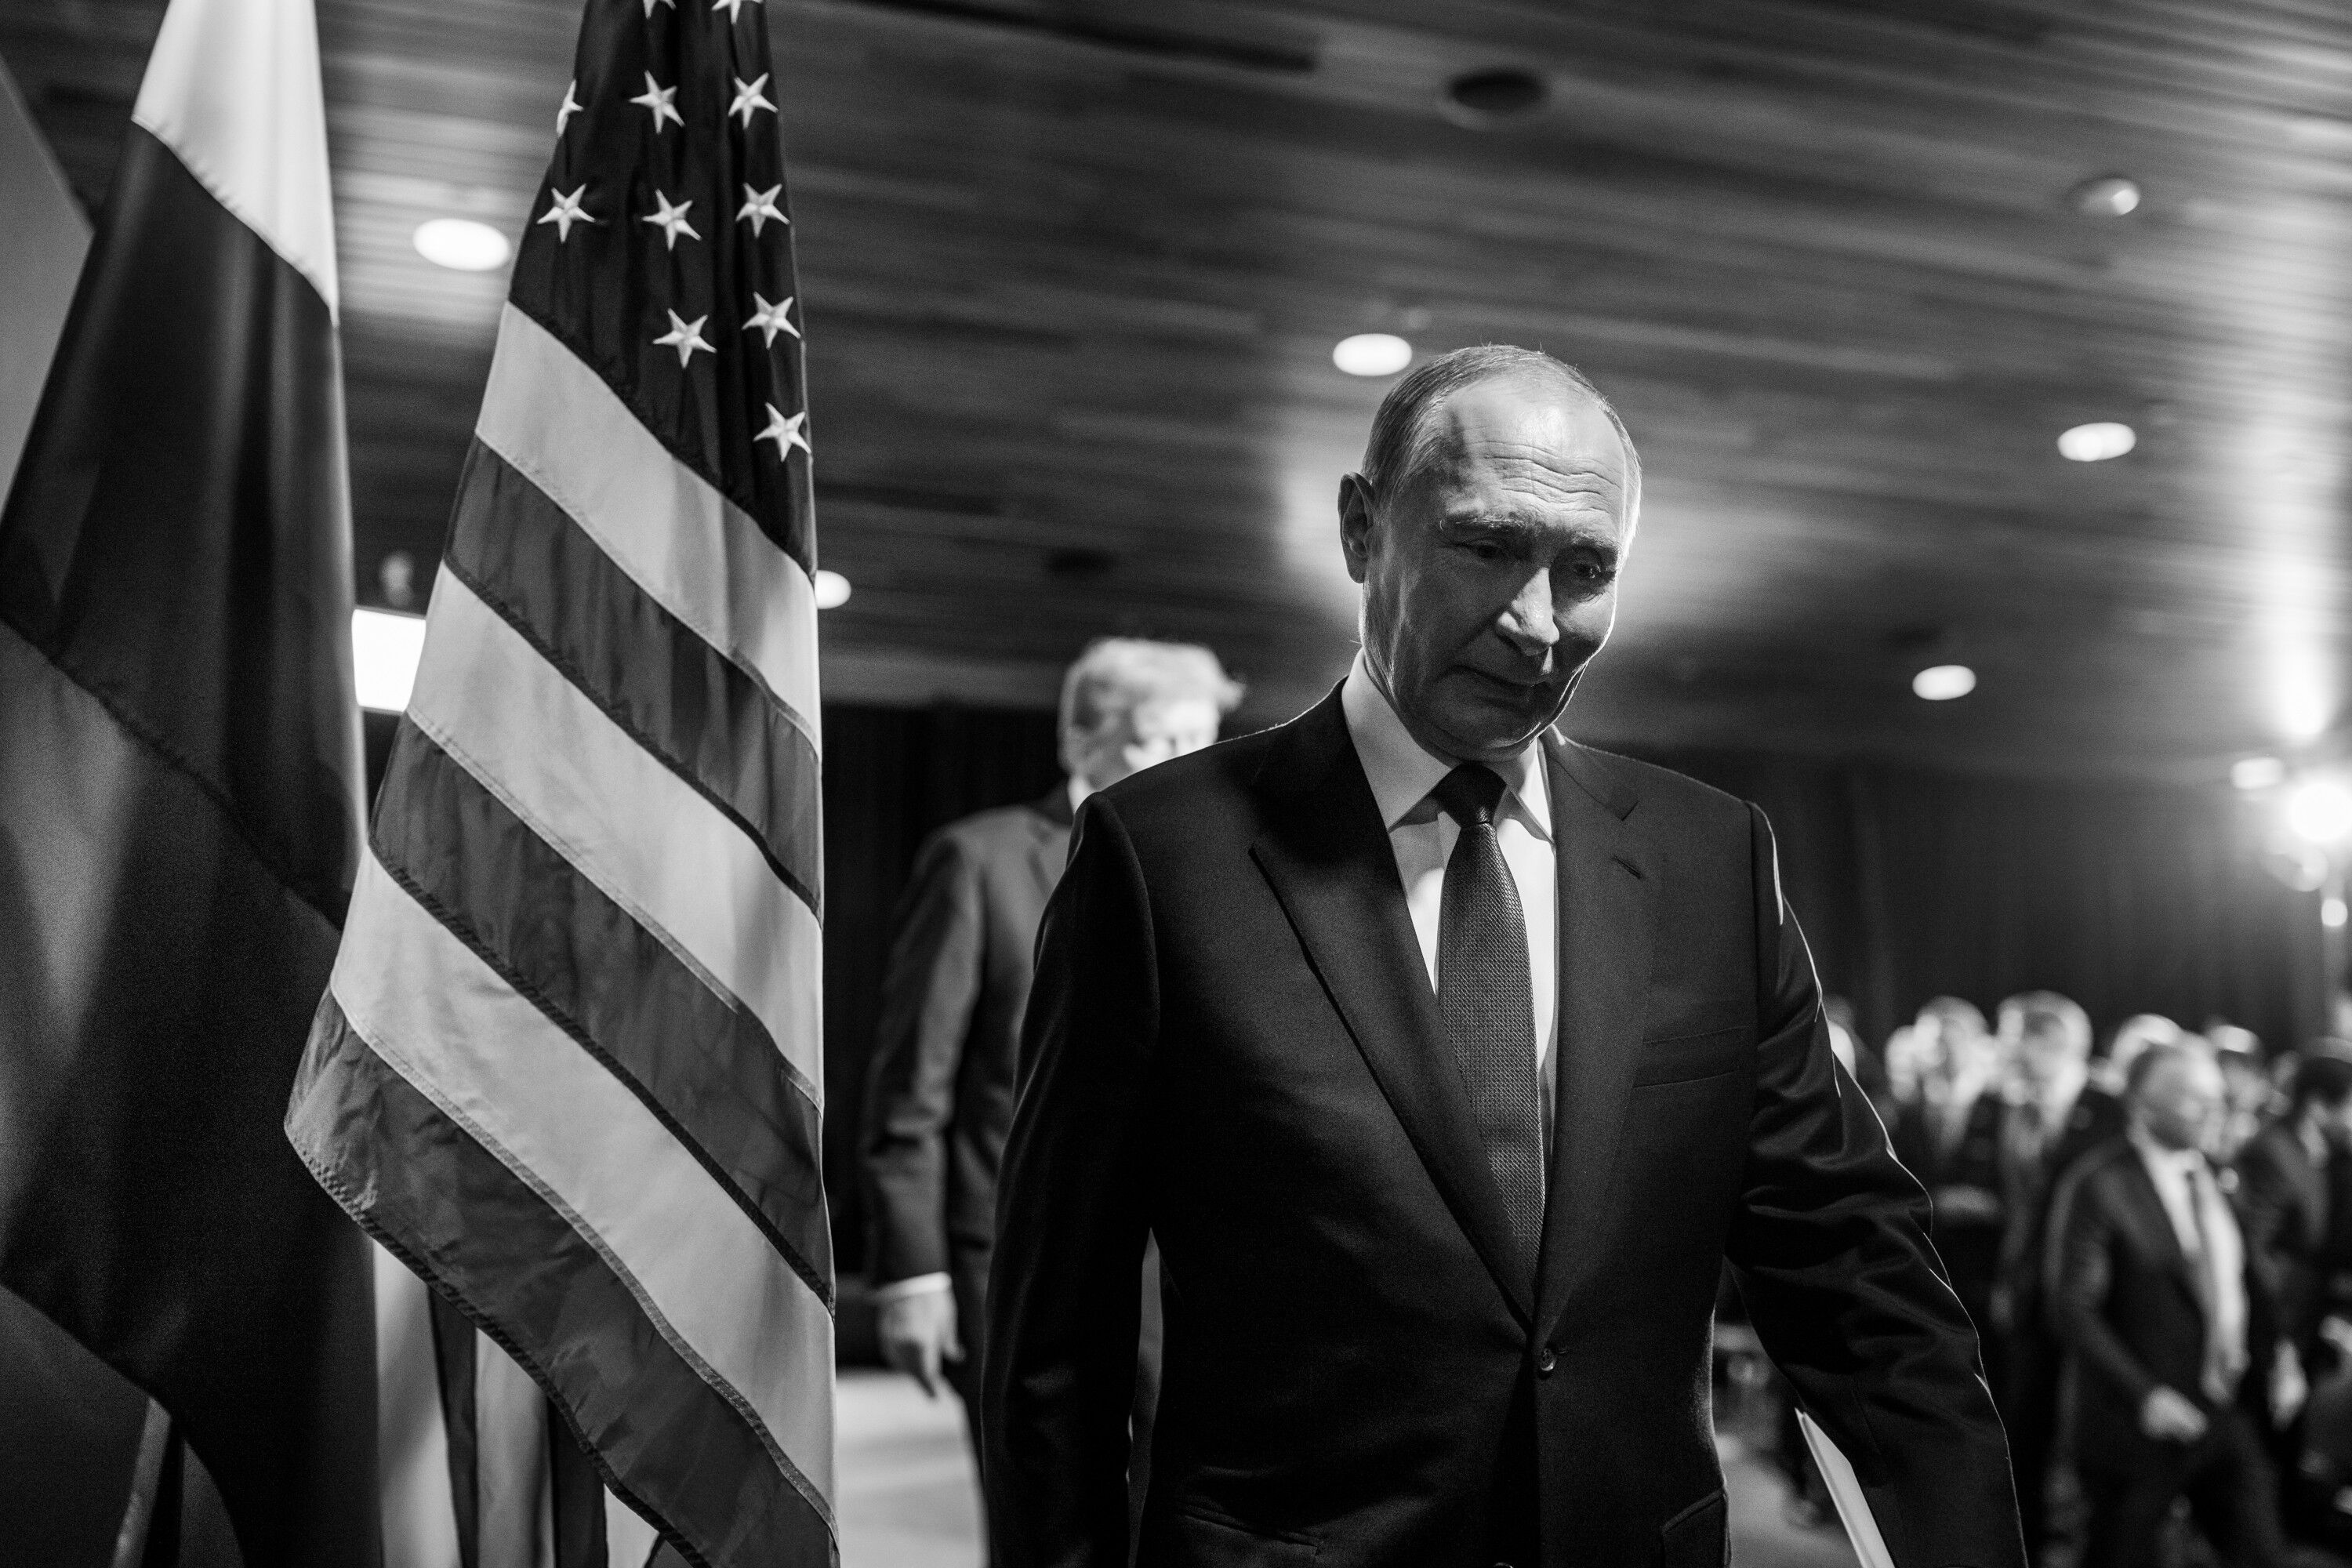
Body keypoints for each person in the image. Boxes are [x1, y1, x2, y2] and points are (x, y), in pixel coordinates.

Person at [984, 346, 2024, 1568]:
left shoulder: (1709, 860)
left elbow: (1855, 1275)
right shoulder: (1162, 860)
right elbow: (1057, 1344)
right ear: (1362, 528)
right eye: (1486, 546)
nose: (1536, 625)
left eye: (1586, 570)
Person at [860, 638, 1242, 1451]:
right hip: (1019, 1257)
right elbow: (912, 1084)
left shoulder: (1224, 867)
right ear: (1080, 743)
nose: (1189, 765)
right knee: (1043, 1500)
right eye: (1161, 740)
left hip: (1185, 1263)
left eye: (1202, 740)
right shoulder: (980, 860)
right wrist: (913, 1271)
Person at [2048, 1044, 2298, 1568]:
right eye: (2193, 1098)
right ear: (2143, 1105)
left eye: (2217, 1097)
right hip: (2137, 1420)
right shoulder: (2100, 1183)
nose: (2214, 1110)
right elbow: (2073, 1307)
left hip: (2223, 1407)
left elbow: (2247, 1279)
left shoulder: (2219, 1175)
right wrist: (2145, 1395)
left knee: (2260, 1550)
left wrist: (2281, 1354)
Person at [1989, 989, 2126, 1563]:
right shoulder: (2015, 1111)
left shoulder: (2113, 1110)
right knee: (2024, 1430)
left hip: (2098, 1306)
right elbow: (2020, 1211)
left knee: (2090, 1440)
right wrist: (2009, 1282)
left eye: (2012, 1037)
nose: (2002, 1049)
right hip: (2030, 1302)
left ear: (2049, 1043)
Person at [1887, 998, 2006, 1355]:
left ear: (1974, 1043)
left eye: (1949, 1042)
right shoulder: (1900, 1111)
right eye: (1931, 1044)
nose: (1940, 1053)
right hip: (1924, 1259)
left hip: (1985, 1262)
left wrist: (1990, 1205)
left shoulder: (2004, 1109)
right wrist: (1936, 1202)